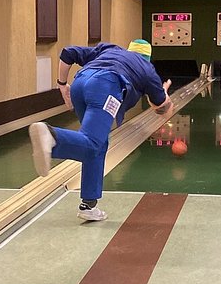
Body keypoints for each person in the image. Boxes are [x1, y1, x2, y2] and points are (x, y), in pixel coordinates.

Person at [29, 39, 173, 221]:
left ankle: (88, 205)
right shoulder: (147, 69)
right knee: (93, 143)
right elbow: (161, 108)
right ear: (148, 57)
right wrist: (164, 93)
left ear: (129, 50)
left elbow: (67, 53)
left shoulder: (110, 49)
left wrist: (62, 85)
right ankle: (54, 137)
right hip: (106, 87)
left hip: (79, 84)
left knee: (99, 142)